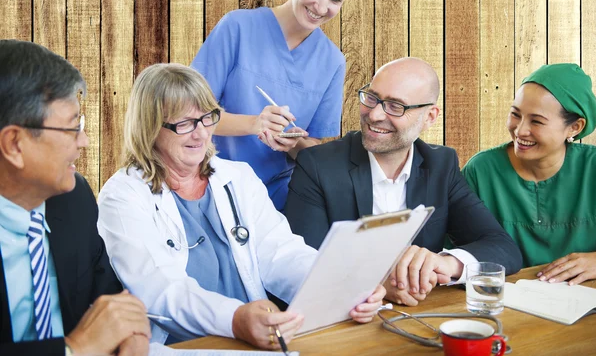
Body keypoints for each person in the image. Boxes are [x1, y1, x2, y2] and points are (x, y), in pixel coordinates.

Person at [97, 63, 385, 349]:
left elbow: (281, 253)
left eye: (207, 118)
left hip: (255, 336)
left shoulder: (238, 177)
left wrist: (339, 286)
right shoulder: (122, 195)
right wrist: (234, 319)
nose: (200, 134)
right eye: (184, 124)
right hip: (179, 345)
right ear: (149, 127)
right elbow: (159, 290)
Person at [285, 57, 522, 307]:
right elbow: (302, 264)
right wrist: (376, 284)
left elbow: (504, 249)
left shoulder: (440, 165)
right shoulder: (318, 165)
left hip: (416, 316)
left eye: (395, 106)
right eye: (372, 98)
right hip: (340, 321)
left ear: (430, 117)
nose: (374, 114)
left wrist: (444, 262)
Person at [0, 39, 150, 356]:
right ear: (14, 144)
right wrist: (76, 348)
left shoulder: (75, 198)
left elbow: (108, 296)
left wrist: (131, 333)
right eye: (72, 127)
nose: (83, 141)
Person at [190, 0, 358, 210]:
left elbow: (311, 147)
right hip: (213, 188)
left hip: (279, 202)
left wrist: (292, 142)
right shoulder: (238, 28)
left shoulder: (333, 62)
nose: (322, 7)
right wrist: (255, 124)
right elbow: (189, 115)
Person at [463, 63, 596, 284]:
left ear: (574, 127)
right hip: (505, 304)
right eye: (515, 114)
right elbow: (458, 253)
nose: (520, 130)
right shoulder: (481, 171)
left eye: (536, 121)